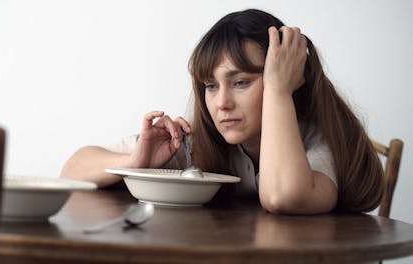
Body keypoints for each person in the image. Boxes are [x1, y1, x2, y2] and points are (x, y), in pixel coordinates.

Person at [61, 9, 384, 214]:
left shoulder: (317, 141)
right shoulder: (201, 143)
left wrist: (278, 90)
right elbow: (73, 169)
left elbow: (283, 196)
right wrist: (135, 163)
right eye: (210, 86)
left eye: (241, 81)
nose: (221, 103)